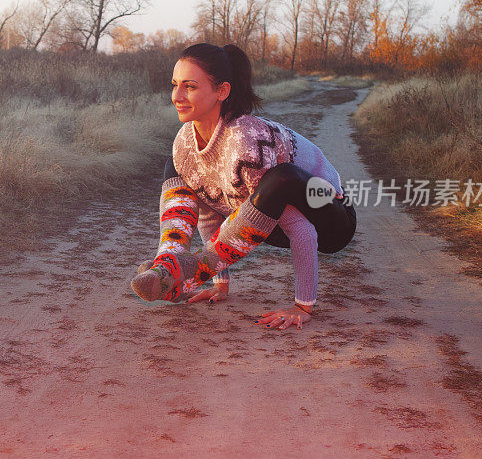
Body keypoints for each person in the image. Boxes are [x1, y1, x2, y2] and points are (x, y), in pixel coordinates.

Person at [131, 43, 356, 331]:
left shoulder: (247, 142)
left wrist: (302, 308)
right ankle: (170, 261)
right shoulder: (185, 140)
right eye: (174, 85)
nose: (177, 96)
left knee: (282, 178)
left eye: (189, 87)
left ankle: (190, 272)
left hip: (331, 218)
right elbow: (212, 211)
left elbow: (303, 229)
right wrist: (220, 286)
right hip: (265, 221)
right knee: (177, 165)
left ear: (222, 91)